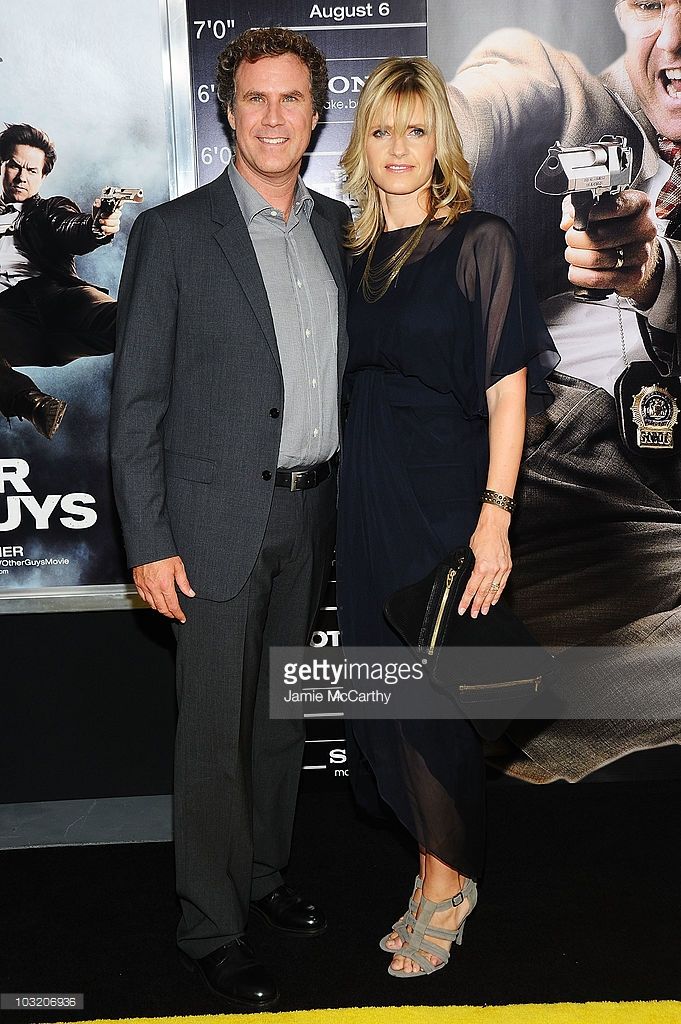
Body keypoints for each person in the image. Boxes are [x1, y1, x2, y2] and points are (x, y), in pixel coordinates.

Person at [109, 27, 350, 1010]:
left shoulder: (338, 229)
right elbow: (136, 405)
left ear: (316, 113)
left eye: (291, 99)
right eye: (255, 98)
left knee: (281, 719)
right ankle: (210, 927)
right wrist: (148, 541)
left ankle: (262, 874)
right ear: (227, 110)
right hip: (210, 527)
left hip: (312, 512)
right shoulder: (173, 233)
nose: (273, 117)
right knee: (212, 736)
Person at [335, 57, 559, 978]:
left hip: (445, 496)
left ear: (441, 145)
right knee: (382, 702)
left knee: (431, 700)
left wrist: (494, 517)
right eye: (381, 129)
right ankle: (433, 869)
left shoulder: (479, 240)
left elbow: (508, 393)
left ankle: (445, 886)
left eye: (416, 129)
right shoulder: (349, 255)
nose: (398, 148)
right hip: (366, 498)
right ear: (361, 144)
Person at [444, 4, 681, 783]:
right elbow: (463, 121)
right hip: (542, 483)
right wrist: (428, 146)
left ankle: (516, 710)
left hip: (654, 509)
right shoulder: (550, 85)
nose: (675, 37)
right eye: (651, 2)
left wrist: (655, 276)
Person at [0, 123, 122, 439]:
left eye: (32, 170)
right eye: (14, 166)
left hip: (53, 299)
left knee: (129, 320)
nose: (22, 177)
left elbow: (69, 227)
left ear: (42, 176)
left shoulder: (47, 210)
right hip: (9, 324)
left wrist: (96, 226)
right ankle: (34, 404)